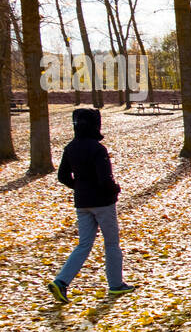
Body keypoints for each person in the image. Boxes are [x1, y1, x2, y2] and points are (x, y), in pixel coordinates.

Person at [48, 108, 135, 302]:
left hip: (82, 203)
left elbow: (63, 176)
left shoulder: (70, 147)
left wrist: (79, 187)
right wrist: (115, 190)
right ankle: (116, 284)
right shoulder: (97, 149)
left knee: (84, 245)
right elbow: (105, 179)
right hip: (102, 203)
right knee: (111, 243)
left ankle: (61, 281)